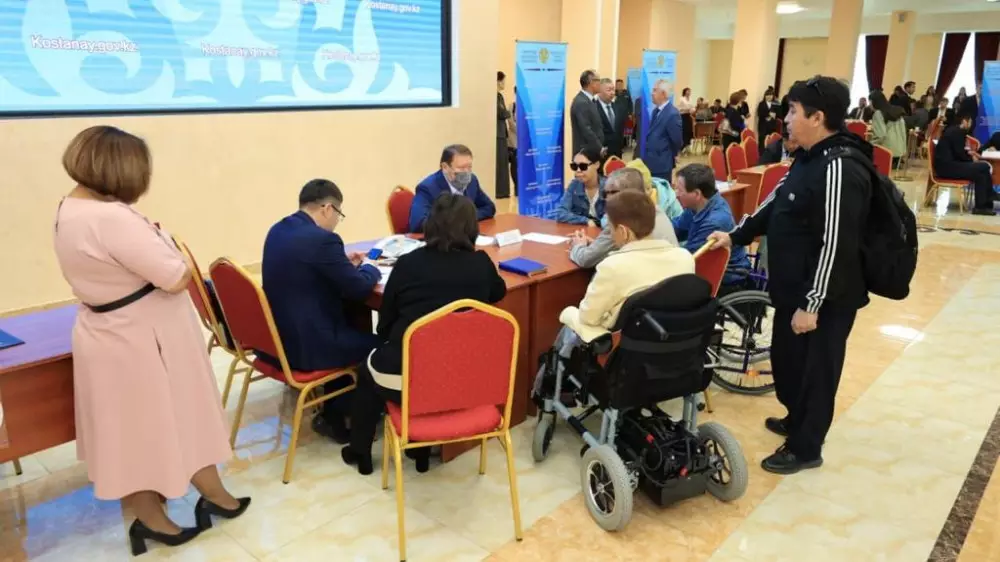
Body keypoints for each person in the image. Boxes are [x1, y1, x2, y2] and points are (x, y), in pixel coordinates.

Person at [54, 126, 249, 556]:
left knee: (159, 422)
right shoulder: (110, 218)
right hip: (138, 340)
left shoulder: (71, 207)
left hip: (117, 333)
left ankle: (212, 492)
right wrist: (173, 249)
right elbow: (176, 275)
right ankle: (150, 519)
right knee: (143, 433)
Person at [708, 76, 871, 475]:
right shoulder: (807, 158)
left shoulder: (840, 166)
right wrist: (734, 236)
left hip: (824, 299)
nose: (787, 118)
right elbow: (773, 205)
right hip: (793, 291)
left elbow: (837, 244)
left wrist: (812, 304)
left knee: (816, 374)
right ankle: (796, 417)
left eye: (794, 111)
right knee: (788, 363)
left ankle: (805, 446)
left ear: (817, 117)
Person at [341, 194, 507, 475]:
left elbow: (385, 325)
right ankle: (419, 451)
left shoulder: (408, 264)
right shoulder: (481, 264)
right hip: (465, 377)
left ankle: (360, 452)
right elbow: (497, 292)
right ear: (472, 229)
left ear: (431, 225)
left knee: (368, 370)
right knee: (434, 354)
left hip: (410, 376)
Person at [542, 190, 695, 397]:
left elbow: (588, 318)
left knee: (571, 319)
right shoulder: (684, 258)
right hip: (677, 354)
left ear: (623, 231)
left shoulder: (613, 266)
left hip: (625, 363)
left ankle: (549, 389)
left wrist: (569, 313)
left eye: (611, 229)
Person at [263, 179, 382, 441]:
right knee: (385, 344)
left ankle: (340, 408)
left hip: (278, 340)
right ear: (328, 208)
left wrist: (340, 264)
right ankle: (349, 416)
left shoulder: (278, 230)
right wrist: (370, 267)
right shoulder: (323, 240)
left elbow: (307, 268)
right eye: (339, 214)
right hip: (310, 347)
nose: (337, 221)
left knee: (351, 322)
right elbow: (359, 289)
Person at [569, 168, 679, 268]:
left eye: (612, 192)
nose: (606, 198)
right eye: (605, 193)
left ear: (629, 193)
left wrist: (578, 245)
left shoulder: (621, 219)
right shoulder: (656, 210)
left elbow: (585, 259)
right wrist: (596, 244)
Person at [671, 164, 751, 289]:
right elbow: (677, 228)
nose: (676, 194)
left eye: (679, 190)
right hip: (705, 270)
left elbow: (689, 258)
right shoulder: (696, 206)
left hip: (727, 280)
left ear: (697, 194)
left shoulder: (715, 221)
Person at [408, 144, 496, 233]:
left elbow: (489, 207)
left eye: (469, 167)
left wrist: (466, 218)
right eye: (461, 168)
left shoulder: (472, 181)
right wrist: (456, 220)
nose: (467, 173)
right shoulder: (427, 188)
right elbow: (418, 224)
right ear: (445, 167)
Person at [935, 113, 996, 215]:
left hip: (949, 165)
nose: (971, 125)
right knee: (984, 166)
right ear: (964, 121)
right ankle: (989, 198)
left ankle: (983, 206)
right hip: (948, 168)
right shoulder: (957, 132)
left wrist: (970, 156)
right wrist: (972, 159)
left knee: (981, 174)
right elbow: (960, 154)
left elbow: (959, 152)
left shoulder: (954, 131)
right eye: (970, 122)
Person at [642, 79, 682, 183]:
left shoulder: (672, 114)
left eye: (655, 90)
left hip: (662, 163)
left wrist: (673, 154)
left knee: (661, 190)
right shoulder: (656, 111)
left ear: (663, 94)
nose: (652, 93)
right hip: (650, 160)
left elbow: (676, 140)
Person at [555, 147, 605, 225]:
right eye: (574, 166)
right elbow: (560, 213)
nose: (578, 170)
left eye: (583, 166)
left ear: (596, 165)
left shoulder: (609, 187)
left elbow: (614, 219)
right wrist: (586, 221)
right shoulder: (574, 185)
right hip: (582, 230)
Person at [571, 69, 606, 156]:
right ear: (591, 82)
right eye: (599, 80)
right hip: (585, 154)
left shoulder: (590, 100)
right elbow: (586, 129)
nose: (600, 84)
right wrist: (599, 148)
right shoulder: (581, 102)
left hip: (592, 151)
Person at [869, 90, 908, 168]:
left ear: (874, 102)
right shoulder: (897, 111)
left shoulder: (878, 113)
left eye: (869, 101)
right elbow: (904, 133)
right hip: (899, 153)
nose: (869, 104)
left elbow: (880, 136)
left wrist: (868, 144)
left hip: (886, 153)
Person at [596, 78, 627, 159]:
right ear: (599, 91)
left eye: (613, 90)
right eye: (609, 90)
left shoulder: (618, 107)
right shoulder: (593, 108)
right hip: (600, 155)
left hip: (617, 154)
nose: (612, 93)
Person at [495, 71, 512, 199]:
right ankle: (499, 191)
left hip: (502, 133)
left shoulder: (499, 96)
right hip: (497, 134)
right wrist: (507, 113)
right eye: (503, 81)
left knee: (503, 164)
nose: (504, 83)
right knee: (499, 164)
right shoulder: (494, 96)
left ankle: (504, 191)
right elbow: (502, 113)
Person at [757, 88, 779, 153]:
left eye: (770, 95)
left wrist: (775, 115)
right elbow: (759, 114)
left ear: (773, 96)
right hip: (763, 125)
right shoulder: (761, 104)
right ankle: (761, 154)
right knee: (762, 141)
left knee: (771, 141)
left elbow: (779, 114)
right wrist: (768, 114)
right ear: (765, 96)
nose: (769, 96)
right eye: (767, 95)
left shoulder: (776, 103)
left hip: (772, 125)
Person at [507, 86, 519, 195]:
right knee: (515, 165)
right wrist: (521, 131)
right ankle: (517, 187)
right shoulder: (512, 106)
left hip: (526, 143)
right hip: (514, 141)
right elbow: (511, 123)